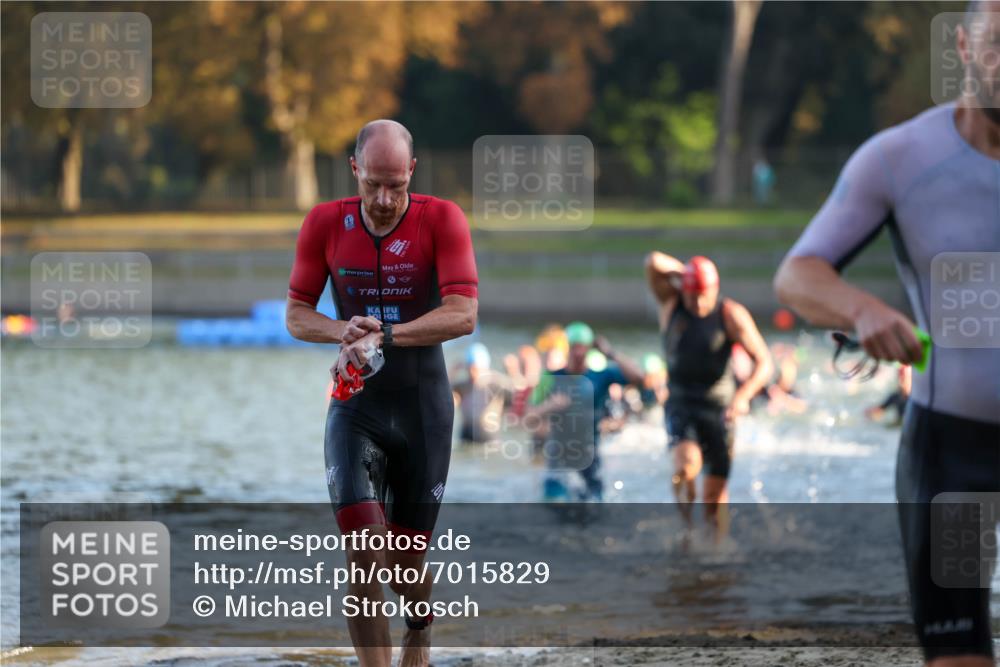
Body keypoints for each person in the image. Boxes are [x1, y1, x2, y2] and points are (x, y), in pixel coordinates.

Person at [774, 5, 1000, 664]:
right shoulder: (902, 158)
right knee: (960, 657)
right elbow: (798, 275)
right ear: (962, 44)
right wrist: (862, 310)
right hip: (957, 455)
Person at [285, 119, 478, 667]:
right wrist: (339, 330)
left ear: (412, 172)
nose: (386, 199)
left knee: (403, 568)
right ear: (354, 172)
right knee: (364, 552)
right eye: (373, 184)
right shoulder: (325, 223)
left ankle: (420, 622)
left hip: (423, 407)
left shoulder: (441, 219)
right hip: (355, 405)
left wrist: (387, 334)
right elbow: (297, 315)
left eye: (397, 184)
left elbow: (464, 314)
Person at [645, 253, 773, 534]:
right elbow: (653, 262)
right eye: (692, 296)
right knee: (686, 467)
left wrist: (743, 397)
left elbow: (764, 361)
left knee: (714, 500)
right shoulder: (671, 304)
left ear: (715, 289)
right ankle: (687, 531)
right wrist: (688, 272)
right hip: (681, 403)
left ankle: (716, 553)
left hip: (720, 409)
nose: (697, 303)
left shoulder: (730, 314)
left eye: (703, 295)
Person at [528, 322, 645, 501]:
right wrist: (550, 406)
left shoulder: (601, 376)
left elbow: (639, 378)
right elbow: (528, 418)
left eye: (582, 348)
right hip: (559, 459)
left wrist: (610, 352)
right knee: (556, 505)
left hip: (590, 458)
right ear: (566, 349)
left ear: (589, 349)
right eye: (574, 348)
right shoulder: (550, 378)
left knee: (594, 507)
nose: (578, 353)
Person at [451, 343, 511, 445]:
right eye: (469, 368)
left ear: (484, 367)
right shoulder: (462, 386)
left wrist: (511, 370)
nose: (472, 372)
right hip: (466, 434)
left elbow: (516, 395)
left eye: (475, 368)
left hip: (488, 436)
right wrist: (452, 372)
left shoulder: (496, 384)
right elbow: (442, 399)